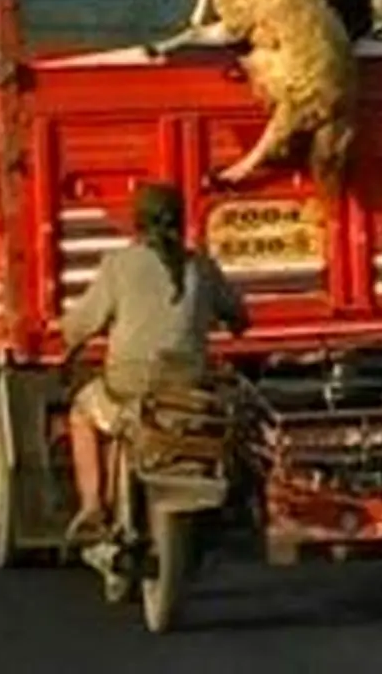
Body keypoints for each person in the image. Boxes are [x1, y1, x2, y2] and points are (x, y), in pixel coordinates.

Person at [59, 182, 249, 541]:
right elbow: (239, 316)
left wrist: (68, 330)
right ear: (182, 219)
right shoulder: (202, 267)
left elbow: (80, 325)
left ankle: (92, 504)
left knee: (81, 413)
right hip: (188, 391)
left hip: (128, 390)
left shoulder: (118, 266)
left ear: (138, 222)